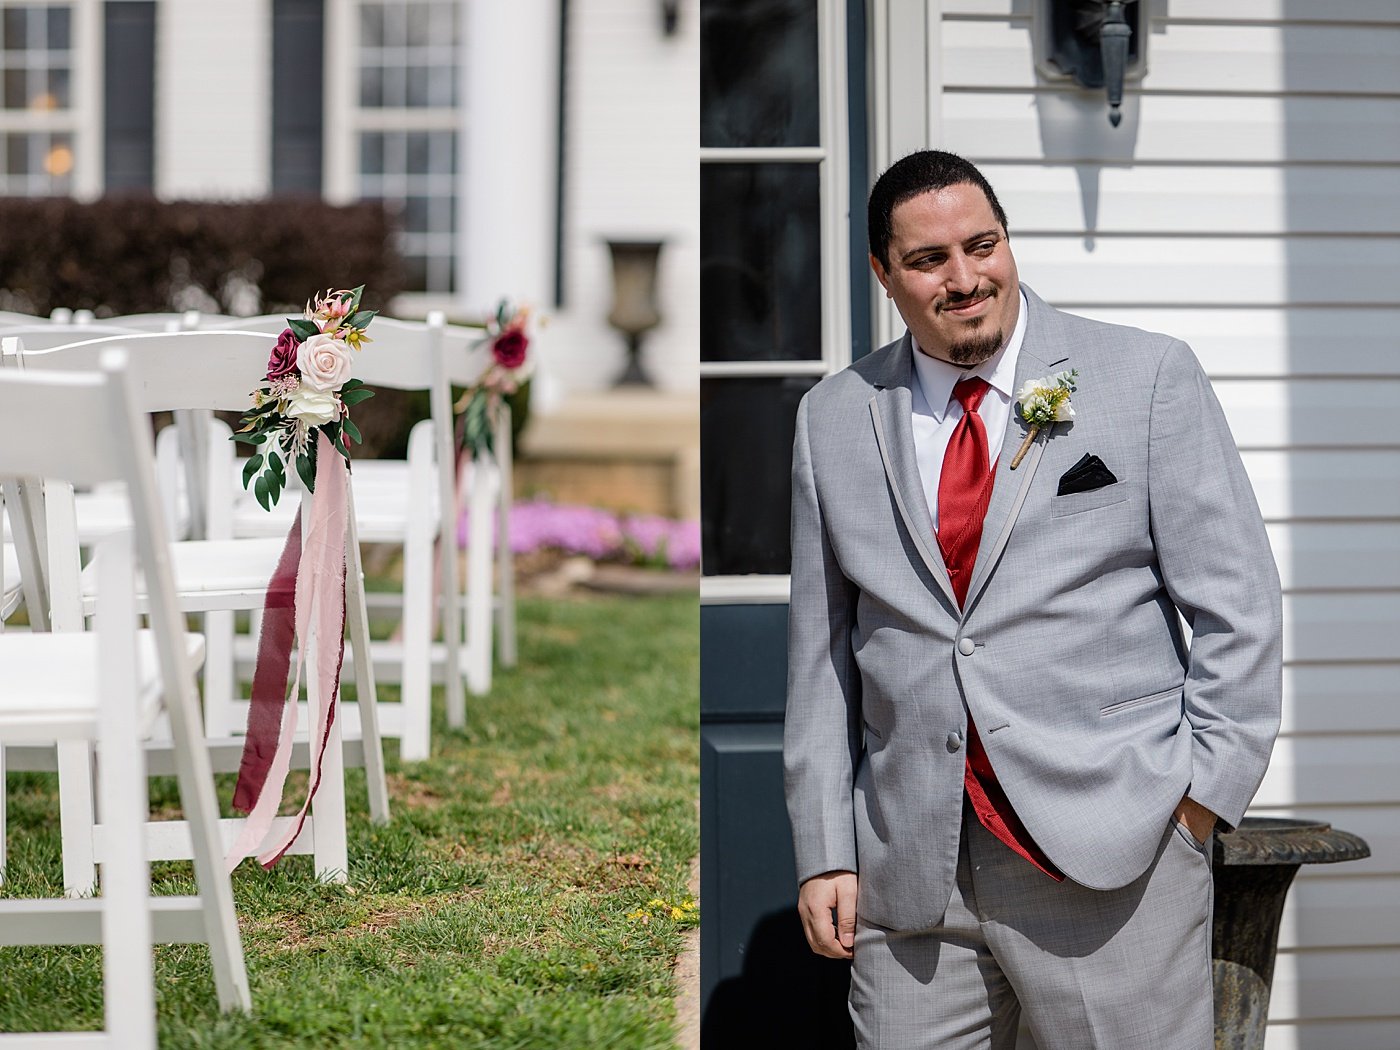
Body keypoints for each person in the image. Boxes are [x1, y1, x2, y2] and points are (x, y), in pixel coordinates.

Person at [783, 149, 1282, 1049]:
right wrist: (825, 847)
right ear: (883, 274)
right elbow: (821, 656)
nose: (967, 278)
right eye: (930, 260)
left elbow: (1237, 604)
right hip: (911, 873)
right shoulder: (832, 418)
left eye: (984, 246)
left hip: (1112, 859)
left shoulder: (1147, 377)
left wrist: (1201, 796)